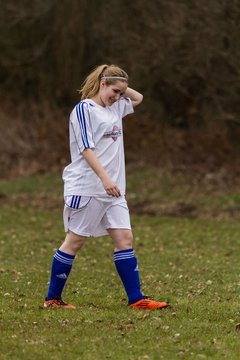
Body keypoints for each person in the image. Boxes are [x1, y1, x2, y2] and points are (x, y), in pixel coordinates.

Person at [44, 64, 169, 310]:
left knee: (125, 238)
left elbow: (139, 98)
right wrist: (104, 178)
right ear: (101, 84)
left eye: (121, 93)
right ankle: (52, 299)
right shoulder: (84, 110)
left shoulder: (116, 106)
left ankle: (137, 299)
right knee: (74, 241)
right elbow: (86, 149)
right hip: (88, 187)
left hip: (114, 190)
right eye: (114, 91)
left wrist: (119, 84)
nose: (118, 97)